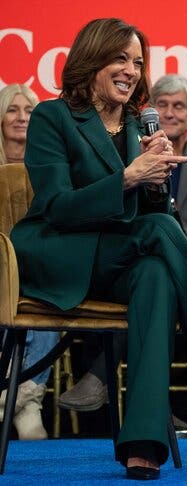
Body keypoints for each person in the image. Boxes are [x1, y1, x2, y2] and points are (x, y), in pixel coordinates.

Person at [9, 18, 187, 480]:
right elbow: (58, 207)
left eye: (138, 62)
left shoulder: (132, 124)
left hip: (117, 256)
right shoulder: (53, 116)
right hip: (57, 254)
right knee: (161, 233)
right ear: (92, 59)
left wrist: (156, 176)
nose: (131, 70)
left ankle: (143, 442)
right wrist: (128, 176)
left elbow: (147, 214)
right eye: (121, 58)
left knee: (157, 275)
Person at [58, 74, 187, 423]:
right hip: (151, 261)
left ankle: (103, 375)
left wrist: (176, 239)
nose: (170, 113)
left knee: (171, 268)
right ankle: (157, 412)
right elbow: (126, 223)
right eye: (162, 105)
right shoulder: (129, 159)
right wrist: (182, 241)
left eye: (180, 106)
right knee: (159, 273)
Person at [0, 83, 59, 440]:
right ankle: (23, 401)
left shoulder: (49, 164)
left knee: (51, 291)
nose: (22, 117)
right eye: (12, 109)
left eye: (29, 111)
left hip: (38, 263)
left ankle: (20, 396)